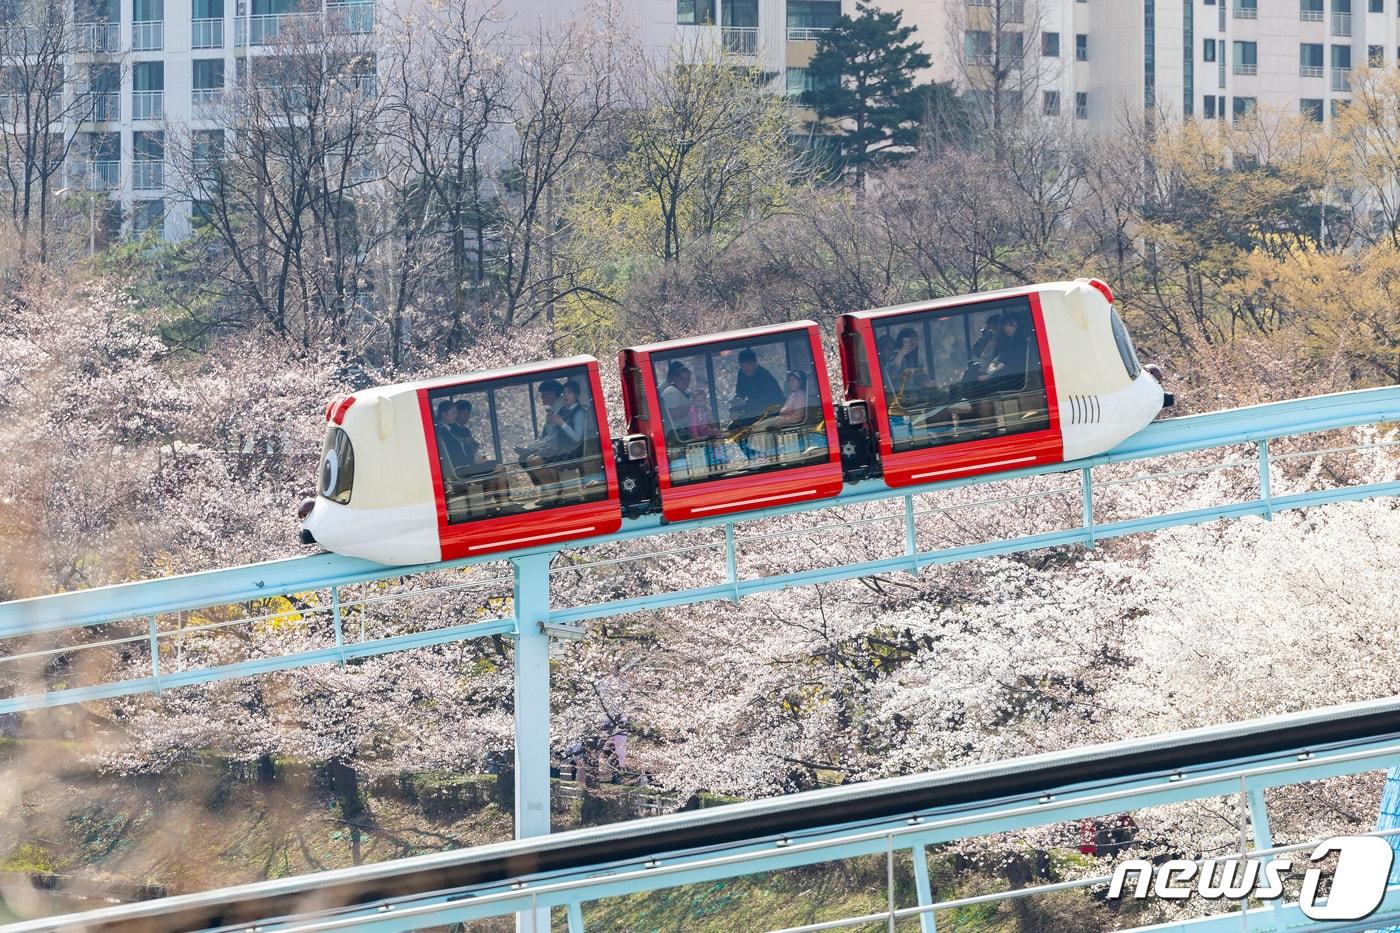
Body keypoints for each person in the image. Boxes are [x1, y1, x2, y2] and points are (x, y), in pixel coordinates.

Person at [730, 348, 784, 426]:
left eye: (749, 365)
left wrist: (745, 403)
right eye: (743, 366)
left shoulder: (765, 376)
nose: (746, 368)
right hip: (753, 412)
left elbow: (770, 400)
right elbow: (740, 393)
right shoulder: (741, 373)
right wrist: (737, 400)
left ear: (755, 363)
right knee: (733, 427)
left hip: (772, 412)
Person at [659, 361, 694, 440]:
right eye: (682, 378)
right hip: (677, 435)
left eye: (687, 378)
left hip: (687, 432)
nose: (685, 381)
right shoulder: (671, 392)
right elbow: (673, 414)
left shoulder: (685, 391)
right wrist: (693, 406)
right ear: (675, 378)